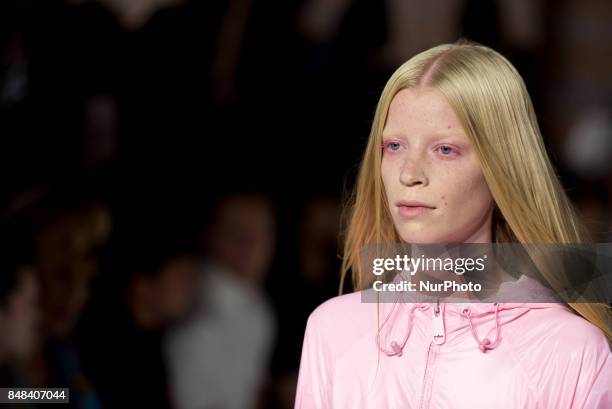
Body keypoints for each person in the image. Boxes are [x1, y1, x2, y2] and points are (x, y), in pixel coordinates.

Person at [294, 40, 611, 408]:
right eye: (394, 146)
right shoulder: (332, 331)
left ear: (502, 167)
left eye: (445, 149)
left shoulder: (572, 352)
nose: (409, 174)